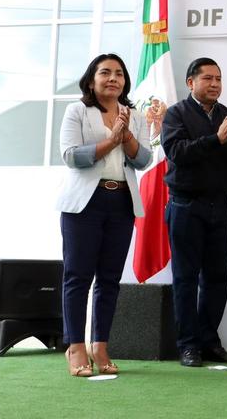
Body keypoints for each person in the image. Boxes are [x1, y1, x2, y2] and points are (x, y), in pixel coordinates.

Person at [57, 53, 152, 377]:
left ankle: (100, 346)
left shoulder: (132, 114)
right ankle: (75, 347)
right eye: (105, 72)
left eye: (119, 74)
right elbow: (71, 156)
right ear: (92, 79)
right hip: (85, 203)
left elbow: (143, 161)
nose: (113, 78)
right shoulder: (77, 111)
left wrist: (126, 138)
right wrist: (111, 141)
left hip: (121, 202)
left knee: (109, 279)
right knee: (78, 277)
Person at [161, 58, 227, 367]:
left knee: (218, 278)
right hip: (185, 206)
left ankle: (208, 341)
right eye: (208, 79)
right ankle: (188, 345)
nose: (215, 84)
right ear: (191, 83)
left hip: (220, 207)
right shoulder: (176, 114)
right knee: (186, 278)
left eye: (218, 79)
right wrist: (217, 140)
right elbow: (177, 154)